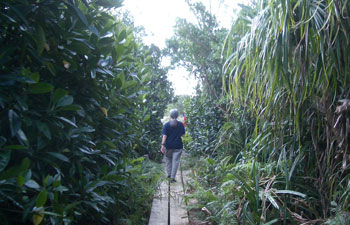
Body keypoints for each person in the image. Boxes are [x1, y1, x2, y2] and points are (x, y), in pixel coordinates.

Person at [161, 109, 185, 182]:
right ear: (177, 116)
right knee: (175, 162)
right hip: (178, 146)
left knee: (168, 160)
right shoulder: (181, 124)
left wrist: (162, 145)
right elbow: (183, 135)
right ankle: (172, 178)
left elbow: (164, 136)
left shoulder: (166, 125)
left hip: (168, 146)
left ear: (170, 115)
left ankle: (169, 174)